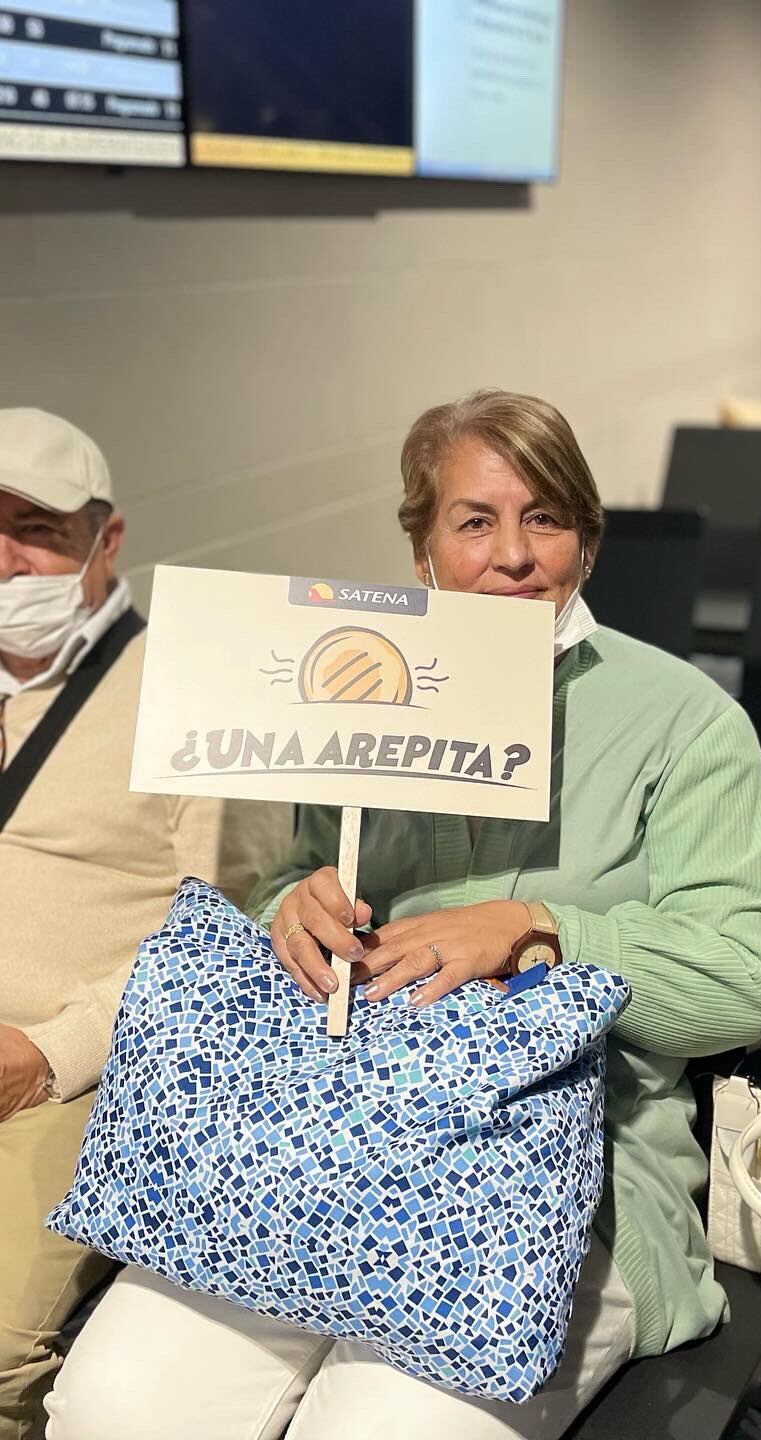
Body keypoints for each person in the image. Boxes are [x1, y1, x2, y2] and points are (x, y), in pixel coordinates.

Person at [48, 389, 761, 1440]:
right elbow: (291, 881)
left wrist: (544, 929)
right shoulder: (357, 690)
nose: (515, 555)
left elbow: (745, 985)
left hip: (559, 1179)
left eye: (548, 518)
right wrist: (288, 909)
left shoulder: (688, 722)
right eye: (475, 521)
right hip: (322, 1141)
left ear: (588, 540)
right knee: (109, 1406)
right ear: (423, 547)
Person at [0, 408, 291, 1440]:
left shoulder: (197, 695)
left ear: (106, 538)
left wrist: (50, 1049)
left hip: (70, 1069)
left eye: (34, 528)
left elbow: (231, 944)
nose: (6, 557)